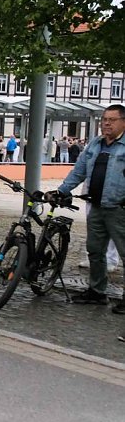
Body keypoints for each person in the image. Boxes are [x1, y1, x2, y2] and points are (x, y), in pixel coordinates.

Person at [51, 104, 125, 309]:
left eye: (112, 120)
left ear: (123, 122)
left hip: (119, 208)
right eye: (104, 119)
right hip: (97, 206)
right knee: (95, 250)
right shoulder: (95, 144)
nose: (107, 123)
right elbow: (79, 171)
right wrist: (62, 191)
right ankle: (97, 291)